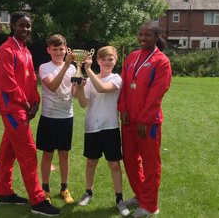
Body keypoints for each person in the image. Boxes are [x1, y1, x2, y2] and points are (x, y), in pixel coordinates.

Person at [0, 11, 60, 216]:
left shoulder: (25, 50)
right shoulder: (6, 50)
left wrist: (35, 101)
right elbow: (7, 84)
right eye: (21, 25)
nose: (25, 29)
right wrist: (24, 103)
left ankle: (5, 193)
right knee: (28, 153)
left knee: (8, 152)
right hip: (13, 109)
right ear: (12, 25)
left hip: (23, 108)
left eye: (28, 26)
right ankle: (38, 200)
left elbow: (31, 80)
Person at [117, 21, 172, 218]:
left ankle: (150, 205)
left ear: (157, 37)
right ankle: (140, 195)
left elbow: (156, 94)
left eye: (147, 35)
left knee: (150, 164)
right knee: (130, 160)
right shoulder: (132, 57)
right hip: (128, 120)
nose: (142, 39)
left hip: (147, 123)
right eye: (140, 34)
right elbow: (123, 85)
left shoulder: (161, 61)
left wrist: (144, 120)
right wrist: (122, 108)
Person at [73, 46, 130, 217]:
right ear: (98, 60)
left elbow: (103, 88)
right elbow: (83, 103)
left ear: (116, 60)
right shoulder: (90, 79)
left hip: (110, 126)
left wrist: (88, 70)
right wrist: (81, 88)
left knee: (114, 164)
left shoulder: (117, 78)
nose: (107, 62)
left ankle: (119, 199)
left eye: (110, 59)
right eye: (103, 59)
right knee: (91, 162)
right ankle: (88, 192)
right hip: (92, 126)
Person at [36, 34, 76, 205]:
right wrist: (65, 66)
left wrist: (79, 86)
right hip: (49, 116)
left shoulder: (74, 68)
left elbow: (72, 93)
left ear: (66, 49)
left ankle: (64, 188)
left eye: (61, 49)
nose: (59, 52)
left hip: (66, 116)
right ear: (49, 50)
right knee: (47, 154)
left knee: (64, 154)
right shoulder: (45, 67)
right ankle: (45, 189)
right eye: (55, 49)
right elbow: (52, 87)